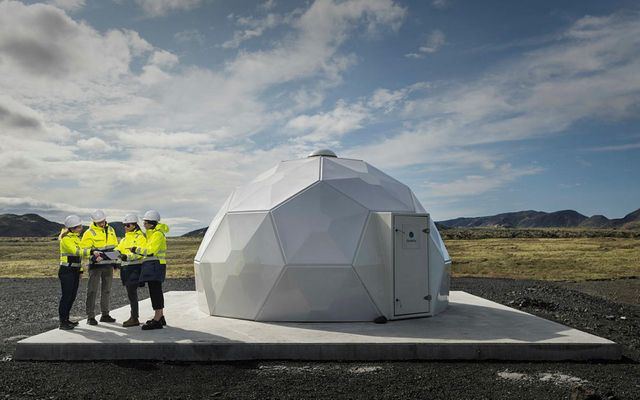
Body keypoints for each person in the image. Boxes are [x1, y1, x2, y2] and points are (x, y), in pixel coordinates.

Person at [130, 210, 169, 330]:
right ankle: (160, 316)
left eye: (145, 222)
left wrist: (136, 249)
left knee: (155, 291)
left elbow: (151, 250)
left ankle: (157, 319)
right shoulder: (152, 233)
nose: (144, 224)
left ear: (151, 223)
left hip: (156, 264)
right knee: (155, 290)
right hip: (154, 264)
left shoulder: (157, 234)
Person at [58, 215, 98, 330]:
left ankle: (66, 319)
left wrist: (80, 270)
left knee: (72, 296)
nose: (81, 228)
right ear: (73, 228)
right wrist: (91, 251)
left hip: (74, 271)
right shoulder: (66, 239)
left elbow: (78, 257)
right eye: (79, 226)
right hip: (66, 271)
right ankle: (62, 322)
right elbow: (76, 251)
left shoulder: (76, 238)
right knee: (66, 297)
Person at [80, 209, 119, 325]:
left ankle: (105, 314)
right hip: (95, 267)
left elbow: (116, 247)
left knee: (106, 290)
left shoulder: (111, 230)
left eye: (103, 221)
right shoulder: (89, 232)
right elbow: (83, 250)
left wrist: (115, 262)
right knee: (92, 291)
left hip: (108, 266)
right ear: (94, 222)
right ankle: (90, 317)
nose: (102, 223)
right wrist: (92, 256)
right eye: (99, 222)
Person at [114, 214, 146, 327]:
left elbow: (140, 253)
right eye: (124, 225)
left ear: (134, 225)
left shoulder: (140, 237)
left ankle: (134, 318)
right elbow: (118, 249)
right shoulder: (124, 238)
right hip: (125, 269)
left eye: (127, 225)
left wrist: (127, 257)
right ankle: (134, 317)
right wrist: (112, 254)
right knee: (130, 293)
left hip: (135, 268)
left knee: (132, 294)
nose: (125, 227)